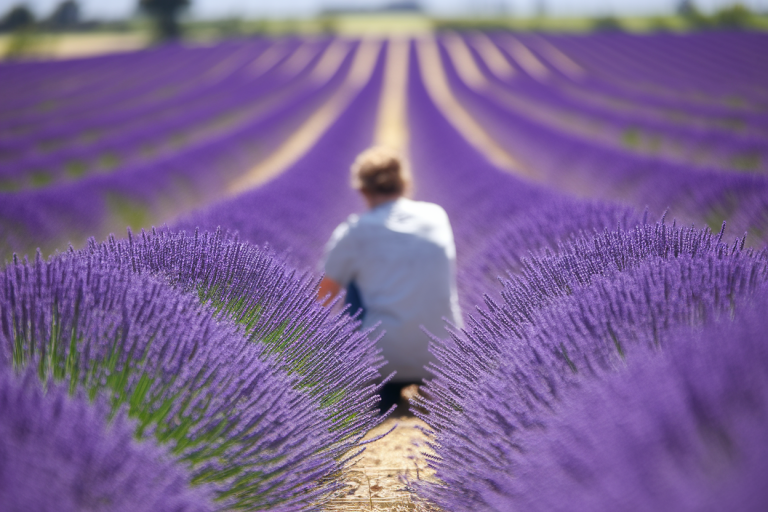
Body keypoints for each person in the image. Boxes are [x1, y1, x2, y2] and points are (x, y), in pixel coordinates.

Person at [318, 146, 462, 415]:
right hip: (444, 357)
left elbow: (323, 298)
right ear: (405, 183)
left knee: (353, 283)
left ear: (362, 191)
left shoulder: (354, 231)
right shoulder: (436, 216)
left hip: (382, 359)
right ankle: (427, 384)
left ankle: (378, 384)